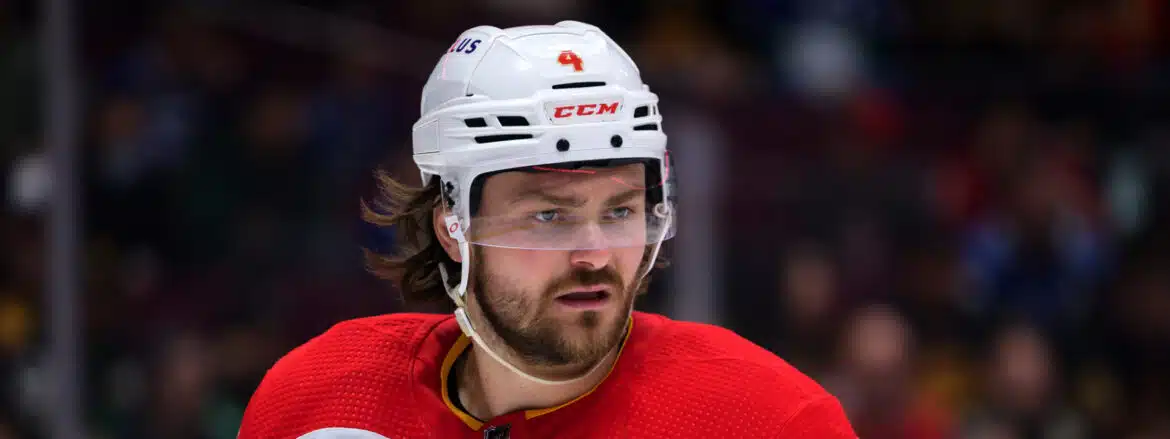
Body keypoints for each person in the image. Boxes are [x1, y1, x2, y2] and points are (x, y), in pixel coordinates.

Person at [237, 21, 856, 439]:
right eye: (549, 216)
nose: (595, 256)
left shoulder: (769, 421)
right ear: (452, 228)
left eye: (619, 212)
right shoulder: (319, 398)